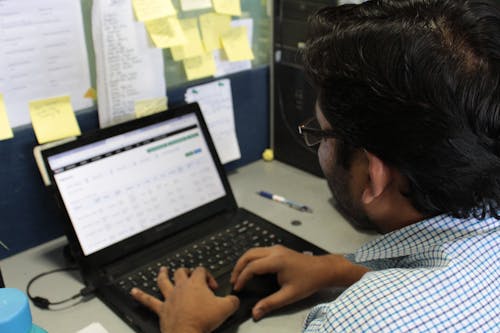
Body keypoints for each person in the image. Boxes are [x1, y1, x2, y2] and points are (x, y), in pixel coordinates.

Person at [130, 0, 500, 332]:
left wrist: (185, 327)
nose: (318, 147)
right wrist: (335, 268)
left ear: (373, 175)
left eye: (321, 134)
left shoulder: (355, 323)